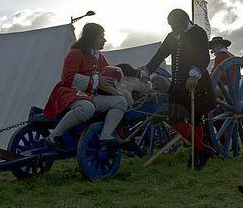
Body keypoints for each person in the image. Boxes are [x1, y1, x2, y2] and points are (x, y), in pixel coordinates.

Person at [141, 9, 216, 169]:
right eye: (171, 25)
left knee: (196, 118)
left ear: (185, 20)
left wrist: (194, 74)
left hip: (196, 83)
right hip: (178, 84)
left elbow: (204, 56)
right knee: (174, 119)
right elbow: (160, 55)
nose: (173, 28)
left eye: (175, 24)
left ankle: (196, 156)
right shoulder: (172, 36)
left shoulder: (198, 33)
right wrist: (146, 71)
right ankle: (203, 150)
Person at [43, 23, 128, 151]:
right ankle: (54, 136)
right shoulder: (75, 54)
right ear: (91, 38)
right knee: (87, 107)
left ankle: (105, 136)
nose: (104, 40)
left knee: (120, 102)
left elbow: (105, 77)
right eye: (101, 37)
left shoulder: (99, 57)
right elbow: (68, 78)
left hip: (90, 95)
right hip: (70, 93)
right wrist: (96, 80)